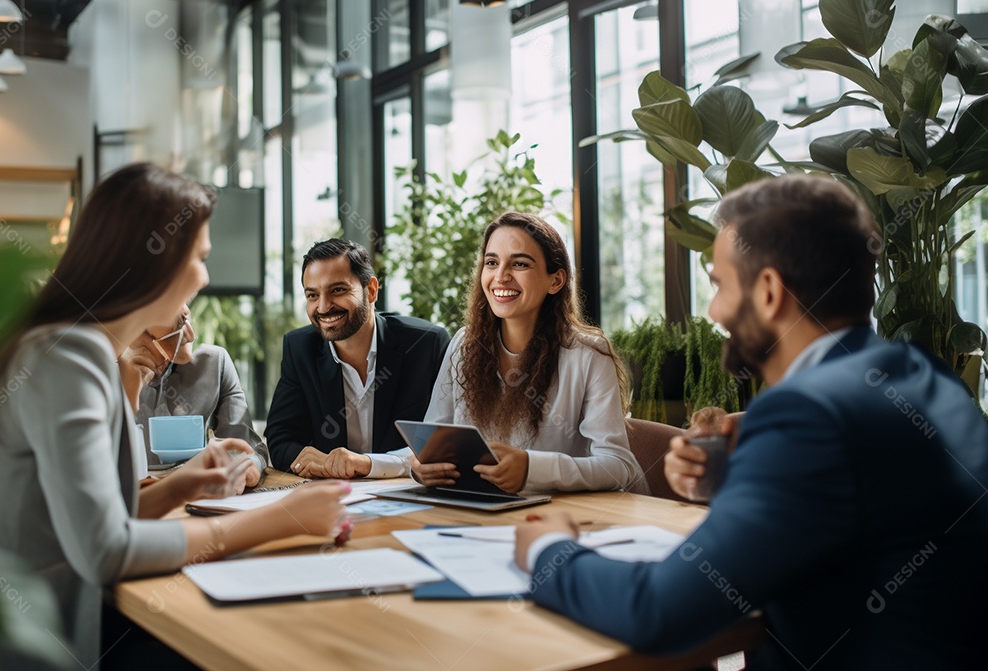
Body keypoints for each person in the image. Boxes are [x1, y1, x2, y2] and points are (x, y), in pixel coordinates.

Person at [514, 176, 988, 669]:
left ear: (767, 292)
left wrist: (550, 550)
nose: (715, 310)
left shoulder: (809, 416)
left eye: (719, 284)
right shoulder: (922, 373)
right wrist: (739, 482)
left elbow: (656, 612)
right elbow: (864, 519)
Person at [0, 163, 349, 669]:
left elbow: (100, 516)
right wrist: (279, 519)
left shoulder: (68, 346)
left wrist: (180, 485)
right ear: (155, 262)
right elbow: (105, 549)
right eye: (198, 258)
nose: (205, 277)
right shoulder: (69, 356)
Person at [414, 212, 646, 494]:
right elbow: (432, 442)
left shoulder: (588, 355)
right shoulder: (464, 344)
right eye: (491, 262)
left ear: (556, 281)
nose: (501, 276)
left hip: (565, 518)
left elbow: (619, 466)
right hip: (479, 510)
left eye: (520, 263)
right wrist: (421, 466)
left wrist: (530, 468)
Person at [266, 238, 450, 479]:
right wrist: (318, 463)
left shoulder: (426, 344)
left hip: (409, 493)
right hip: (335, 495)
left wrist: (367, 464)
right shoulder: (299, 348)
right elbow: (281, 439)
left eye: (338, 290)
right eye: (312, 295)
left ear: (371, 290)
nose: (323, 307)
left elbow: (443, 441)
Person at [127, 302, 268, 486]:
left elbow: (248, 449)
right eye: (177, 327)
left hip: (198, 498)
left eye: (186, 318)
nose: (191, 335)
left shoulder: (214, 364)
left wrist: (247, 466)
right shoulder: (103, 376)